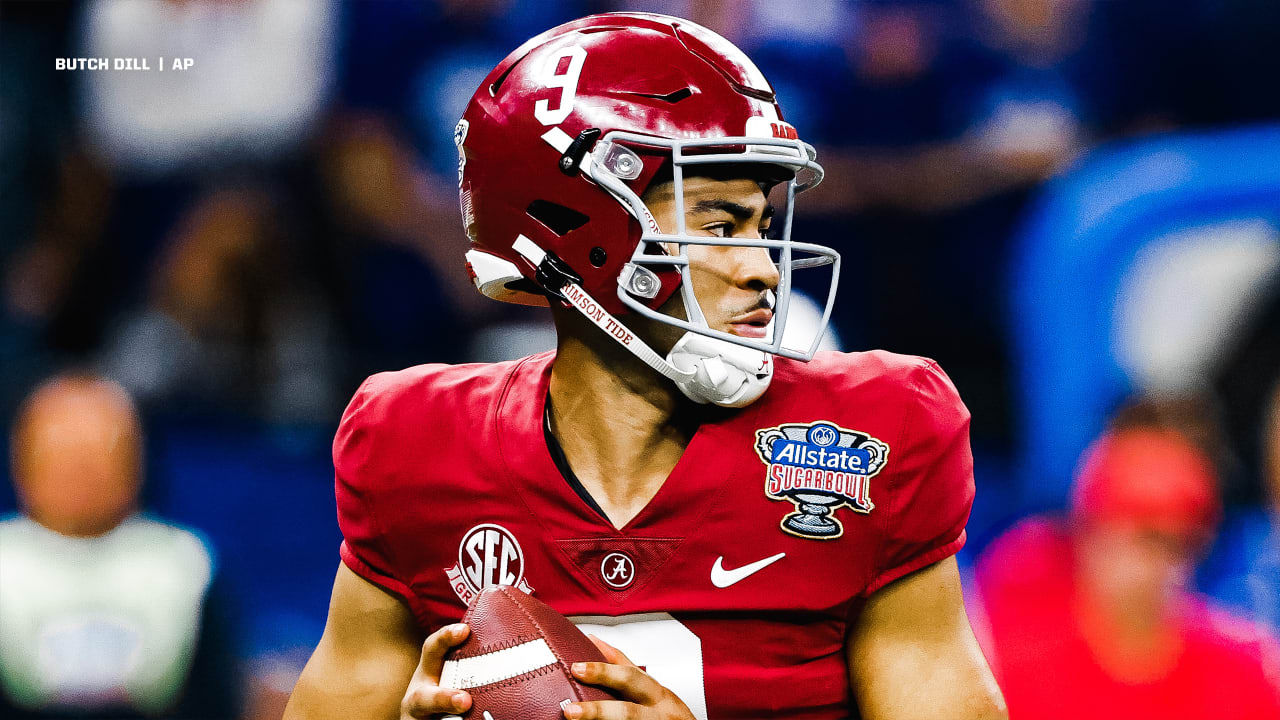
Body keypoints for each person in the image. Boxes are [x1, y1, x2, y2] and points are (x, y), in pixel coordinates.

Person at [285, 13, 1006, 720]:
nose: (763, 271)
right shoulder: (414, 443)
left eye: (761, 225)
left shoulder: (876, 431)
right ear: (576, 231)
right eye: (719, 226)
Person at [973, 423, 1280, 718]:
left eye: (1176, 543)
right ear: (1089, 535)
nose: (1154, 565)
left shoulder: (1245, 671)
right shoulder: (1018, 671)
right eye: (1142, 536)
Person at [0, 373, 238, 718]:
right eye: (64, 452)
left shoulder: (187, 566)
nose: (81, 471)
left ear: (137, 461)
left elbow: (215, 702)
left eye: (98, 451)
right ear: (21, 461)